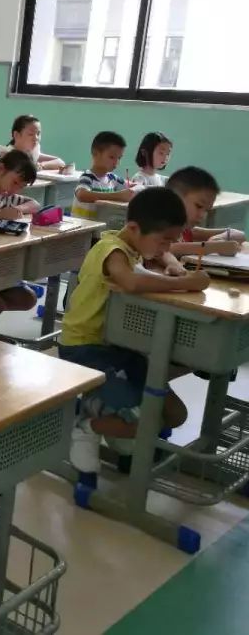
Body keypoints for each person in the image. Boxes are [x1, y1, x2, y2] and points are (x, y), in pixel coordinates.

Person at [59, 187, 207, 472]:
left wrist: (173, 263)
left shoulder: (134, 247)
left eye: (171, 241)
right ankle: (87, 425)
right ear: (134, 228)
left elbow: (159, 257)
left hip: (121, 349)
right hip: (85, 349)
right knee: (146, 421)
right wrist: (185, 283)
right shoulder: (110, 250)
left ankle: (110, 416)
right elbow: (130, 282)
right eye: (163, 241)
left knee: (176, 415)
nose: (166, 248)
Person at [166, 166, 246, 258]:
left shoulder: (185, 230)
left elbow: (240, 235)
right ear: (174, 198)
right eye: (199, 206)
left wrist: (217, 239)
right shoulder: (157, 226)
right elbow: (166, 249)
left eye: (207, 210)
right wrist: (214, 247)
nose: (203, 216)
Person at [71, 131, 133, 220]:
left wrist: (135, 188)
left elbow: (132, 186)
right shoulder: (88, 177)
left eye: (119, 158)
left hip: (102, 226)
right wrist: (118, 196)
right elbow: (82, 195)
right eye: (112, 157)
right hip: (84, 227)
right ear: (96, 153)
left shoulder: (113, 178)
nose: (116, 162)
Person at [0, 115, 66, 171]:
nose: (36, 138)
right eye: (31, 134)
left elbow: (60, 162)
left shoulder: (33, 153)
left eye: (38, 134)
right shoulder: (5, 153)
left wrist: (41, 165)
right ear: (16, 135)